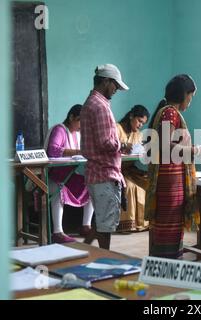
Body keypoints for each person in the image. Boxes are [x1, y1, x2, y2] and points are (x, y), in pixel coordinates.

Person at [145, 74, 201, 259]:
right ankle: (167, 264)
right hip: (170, 178)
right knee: (169, 223)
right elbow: (164, 145)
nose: (191, 101)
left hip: (170, 176)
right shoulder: (170, 112)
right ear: (184, 94)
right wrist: (192, 150)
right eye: (191, 96)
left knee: (168, 222)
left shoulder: (166, 111)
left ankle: (165, 263)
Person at [81, 63, 129, 249]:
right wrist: (123, 145)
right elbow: (105, 142)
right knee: (105, 226)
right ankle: (104, 258)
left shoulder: (90, 102)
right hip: (104, 173)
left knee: (102, 220)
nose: (116, 89)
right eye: (115, 85)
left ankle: (85, 248)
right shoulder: (100, 106)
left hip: (96, 172)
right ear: (106, 81)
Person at [46, 104, 94, 243]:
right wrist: (80, 152)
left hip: (70, 175)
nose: (82, 125)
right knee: (58, 190)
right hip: (54, 176)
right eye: (80, 121)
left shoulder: (77, 134)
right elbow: (53, 151)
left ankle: (86, 225)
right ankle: (57, 232)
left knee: (92, 184)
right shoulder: (59, 130)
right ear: (71, 117)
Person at [116, 105, 150, 232]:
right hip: (116, 170)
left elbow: (139, 152)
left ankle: (142, 222)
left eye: (143, 123)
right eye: (139, 121)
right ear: (131, 116)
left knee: (147, 182)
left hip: (130, 169)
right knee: (130, 186)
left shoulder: (138, 135)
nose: (141, 125)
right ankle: (127, 224)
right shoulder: (117, 129)